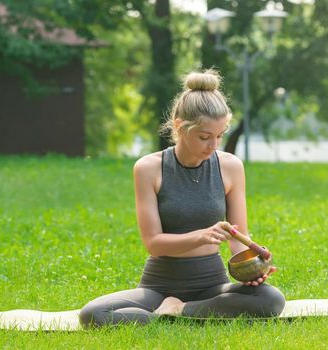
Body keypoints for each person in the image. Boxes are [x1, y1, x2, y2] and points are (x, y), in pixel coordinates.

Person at [79, 69, 285, 327]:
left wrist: (253, 266)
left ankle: (180, 311)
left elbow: (238, 237)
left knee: (271, 299)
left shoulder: (231, 166)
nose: (213, 146)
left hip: (212, 285)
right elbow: (153, 243)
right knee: (92, 314)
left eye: (219, 136)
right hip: (159, 286)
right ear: (179, 126)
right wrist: (200, 236)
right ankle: (176, 312)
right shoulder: (148, 168)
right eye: (204, 137)